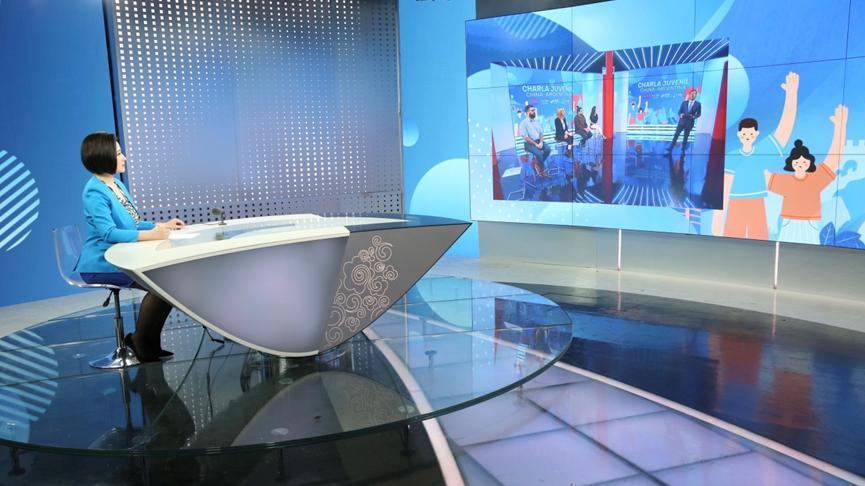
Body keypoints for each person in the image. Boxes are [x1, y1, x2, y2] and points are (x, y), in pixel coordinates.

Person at [75, 132, 185, 362]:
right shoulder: (94, 191)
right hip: (101, 262)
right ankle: (140, 342)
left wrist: (160, 226)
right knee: (160, 285)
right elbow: (108, 233)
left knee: (167, 284)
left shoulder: (116, 184)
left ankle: (149, 343)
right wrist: (150, 235)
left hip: (121, 256)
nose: (124, 157)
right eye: (118, 153)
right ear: (103, 157)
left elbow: (132, 224)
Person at [713, 71, 799, 239]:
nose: (747, 137)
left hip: (757, 203)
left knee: (760, 242)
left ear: (756, 134)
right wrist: (717, 221)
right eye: (744, 134)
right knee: (732, 243)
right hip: (735, 204)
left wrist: (791, 95)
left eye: (751, 134)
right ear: (739, 135)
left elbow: (784, 130)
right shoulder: (732, 156)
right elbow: (725, 188)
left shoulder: (762, 151)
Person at [766, 105, 848, 244]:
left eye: (804, 161)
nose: (800, 164)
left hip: (809, 223)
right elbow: (762, 172)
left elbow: (834, 159)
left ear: (809, 163)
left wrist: (841, 126)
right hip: (789, 222)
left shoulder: (816, 178)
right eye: (797, 162)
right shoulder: (784, 180)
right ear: (791, 164)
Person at [667, 88, 701, 154]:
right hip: (681, 122)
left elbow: (699, 114)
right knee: (676, 135)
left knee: (686, 137)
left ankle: (683, 150)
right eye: (692, 94)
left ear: (696, 95)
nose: (693, 95)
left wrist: (694, 116)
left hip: (690, 123)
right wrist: (680, 114)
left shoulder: (698, 104)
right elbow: (679, 111)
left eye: (694, 94)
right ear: (689, 94)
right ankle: (670, 148)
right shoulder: (684, 103)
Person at [519, 105, 551, 174]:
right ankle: (542, 170)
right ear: (527, 112)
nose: (534, 112)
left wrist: (541, 142)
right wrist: (536, 144)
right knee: (539, 154)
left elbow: (541, 133)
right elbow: (526, 137)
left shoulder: (537, 121)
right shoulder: (523, 123)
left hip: (538, 141)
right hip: (528, 143)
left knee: (548, 149)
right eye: (532, 110)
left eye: (534, 110)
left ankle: (537, 163)